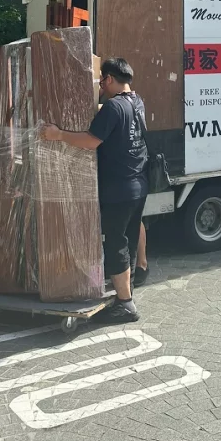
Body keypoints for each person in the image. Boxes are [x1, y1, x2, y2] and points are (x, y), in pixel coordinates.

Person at [41, 57, 148, 322]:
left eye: (102, 79)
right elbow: (113, 116)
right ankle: (127, 291)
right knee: (128, 239)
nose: (100, 84)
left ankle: (125, 304)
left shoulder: (112, 108)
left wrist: (58, 135)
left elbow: (91, 141)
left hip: (118, 188)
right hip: (138, 185)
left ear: (110, 79)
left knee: (115, 244)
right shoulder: (136, 101)